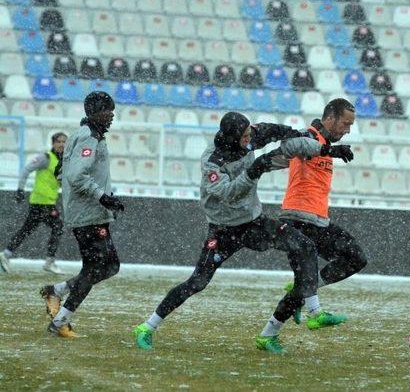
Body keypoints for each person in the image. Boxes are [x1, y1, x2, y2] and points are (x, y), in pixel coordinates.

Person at [133, 112, 354, 354]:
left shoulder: (247, 137)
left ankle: (314, 312)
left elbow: (277, 132)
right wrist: (254, 171)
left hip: (253, 222)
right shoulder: (212, 162)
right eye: (246, 136)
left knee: (304, 245)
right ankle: (147, 327)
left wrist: (326, 150)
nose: (251, 139)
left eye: (251, 134)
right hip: (224, 230)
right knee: (197, 282)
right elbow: (229, 193)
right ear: (232, 137)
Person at [258, 98, 367, 343]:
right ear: (330, 118)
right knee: (304, 281)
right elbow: (293, 146)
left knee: (356, 258)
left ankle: (299, 296)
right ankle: (273, 331)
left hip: (319, 220)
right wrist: (329, 150)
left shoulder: (326, 142)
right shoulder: (309, 136)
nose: (347, 130)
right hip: (297, 218)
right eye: (345, 124)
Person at [40, 91, 124, 338]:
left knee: (110, 266)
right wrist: (102, 197)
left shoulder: (81, 135)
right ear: (96, 111)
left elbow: (61, 171)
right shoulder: (89, 137)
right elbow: (76, 176)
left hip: (88, 213)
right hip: (89, 214)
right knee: (96, 268)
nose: (112, 115)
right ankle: (59, 322)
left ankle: (56, 291)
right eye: (108, 110)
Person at [1, 132, 67, 274]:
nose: (62, 144)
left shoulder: (62, 160)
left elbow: (58, 181)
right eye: (59, 141)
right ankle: (50, 261)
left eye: (64, 142)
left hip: (45, 201)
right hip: (42, 202)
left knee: (27, 229)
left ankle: (6, 254)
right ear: (53, 143)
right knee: (58, 226)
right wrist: (20, 189)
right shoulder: (46, 157)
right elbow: (26, 170)